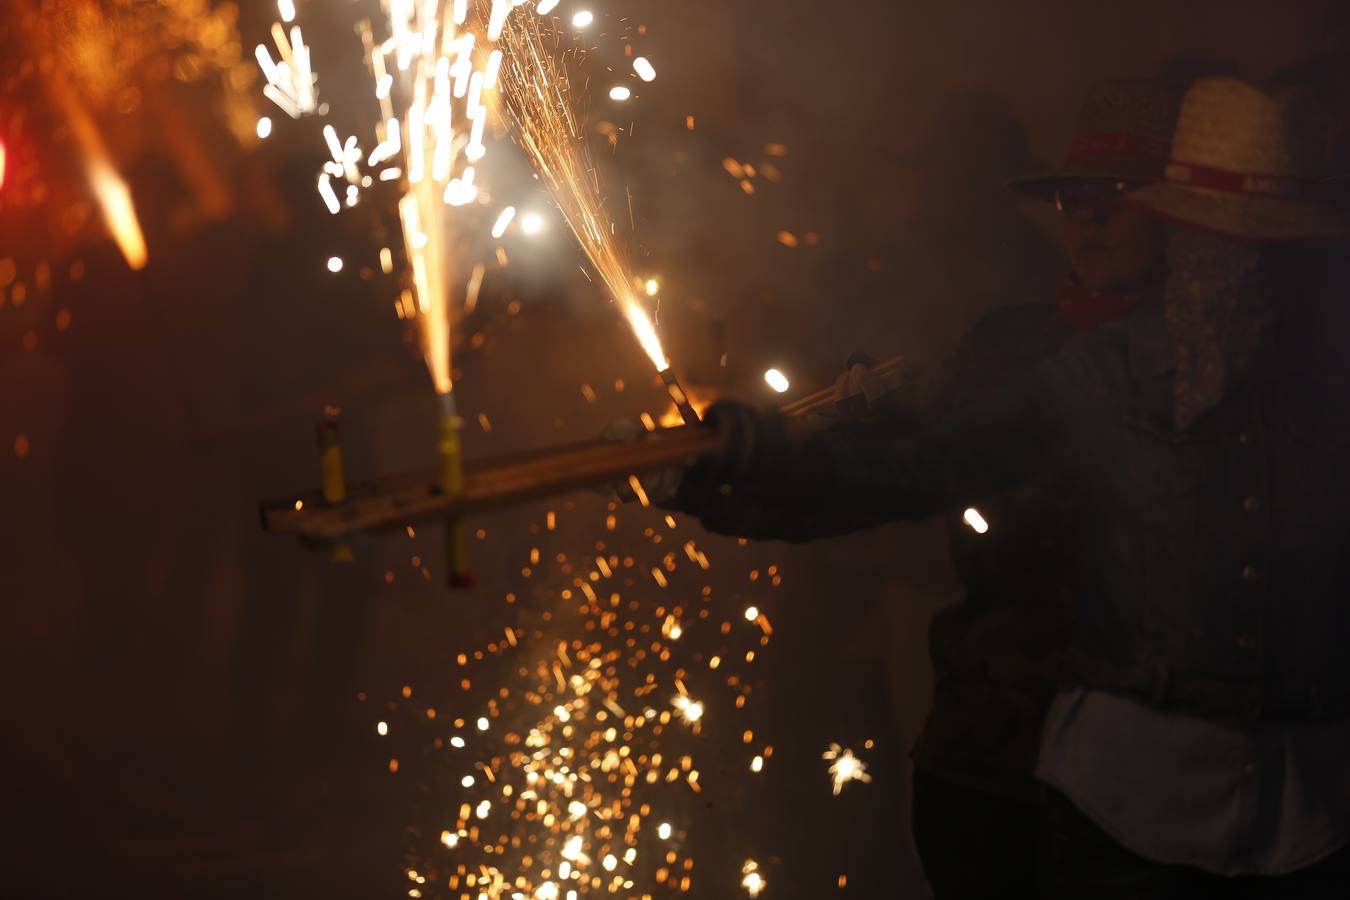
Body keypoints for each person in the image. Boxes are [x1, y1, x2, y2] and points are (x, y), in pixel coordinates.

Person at [671, 76, 1350, 898]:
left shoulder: (1312, 388)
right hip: (1031, 780)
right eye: (1075, 197)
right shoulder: (1058, 363)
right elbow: (907, 468)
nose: (1090, 216)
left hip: (1289, 819)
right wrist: (745, 468)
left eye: (1119, 194)